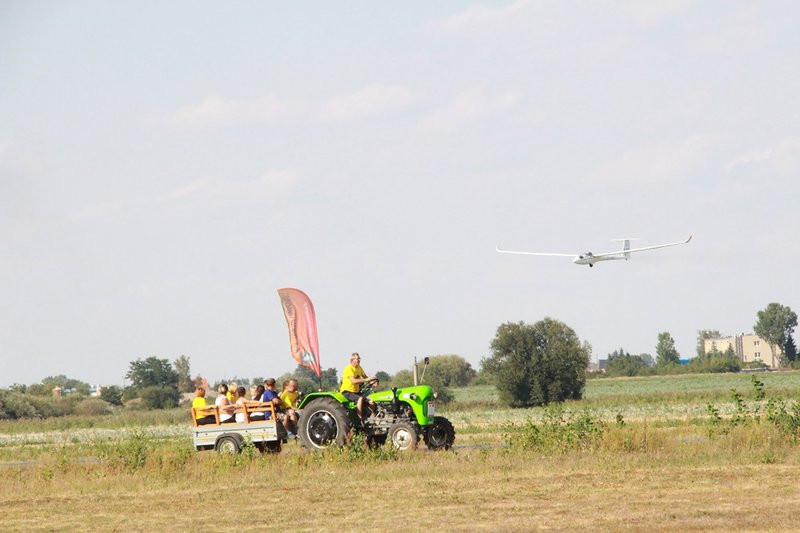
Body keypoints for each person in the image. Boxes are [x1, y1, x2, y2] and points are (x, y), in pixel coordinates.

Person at [339, 352, 377, 419]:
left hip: (356, 392)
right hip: (347, 391)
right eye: (357, 359)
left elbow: (365, 377)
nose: (359, 360)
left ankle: (374, 417)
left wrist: (373, 381)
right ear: (352, 360)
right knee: (360, 398)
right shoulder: (349, 368)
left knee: (371, 401)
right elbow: (354, 381)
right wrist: (367, 379)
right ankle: (360, 418)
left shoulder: (359, 368)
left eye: (359, 358)